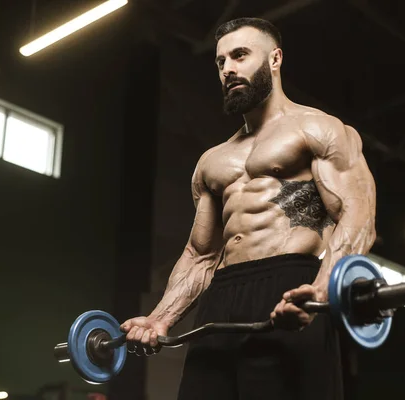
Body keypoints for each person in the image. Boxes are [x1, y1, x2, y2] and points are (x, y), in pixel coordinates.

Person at [120, 17, 376, 400]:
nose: (229, 69)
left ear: (275, 59)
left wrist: (321, 293)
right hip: (222, 296)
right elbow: (201, 254)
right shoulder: (213, 160)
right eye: (221, 62)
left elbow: (357, 217)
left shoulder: (319, 129)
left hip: (290, 284)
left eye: (240, 55)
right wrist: (160, 318)